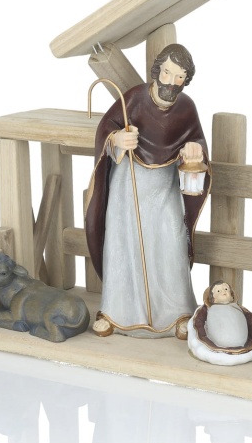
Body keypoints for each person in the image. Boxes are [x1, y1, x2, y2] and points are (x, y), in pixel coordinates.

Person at [84, 44, 210, 338]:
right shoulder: (134, 99)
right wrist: (117, 139)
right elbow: (106, 129)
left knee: (170, 242)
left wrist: (194, 149)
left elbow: (198, 141)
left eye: (179, 77)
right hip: (129, 186)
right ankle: (115, 313)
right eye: (167, 73)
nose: (171, 82)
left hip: (165, 187)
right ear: (157, 70)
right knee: (123, 244)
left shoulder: (186, 107)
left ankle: (177, 313)